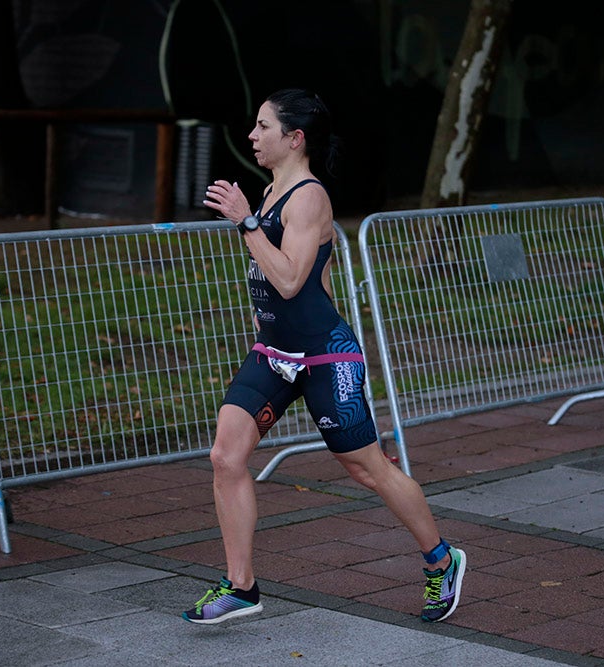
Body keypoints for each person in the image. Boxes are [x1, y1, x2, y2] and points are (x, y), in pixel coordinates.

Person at [182, 88, 466, 625]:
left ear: (295, 138)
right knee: (226, 455)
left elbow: (289, 280)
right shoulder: (270, 192)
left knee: (367, 470)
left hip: (323, 358)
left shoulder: (308, 197)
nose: (252, 136)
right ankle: (241, 587)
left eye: (263, 127)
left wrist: (245, 223)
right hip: (273, 354)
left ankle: (441, 559)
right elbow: (271, 283)